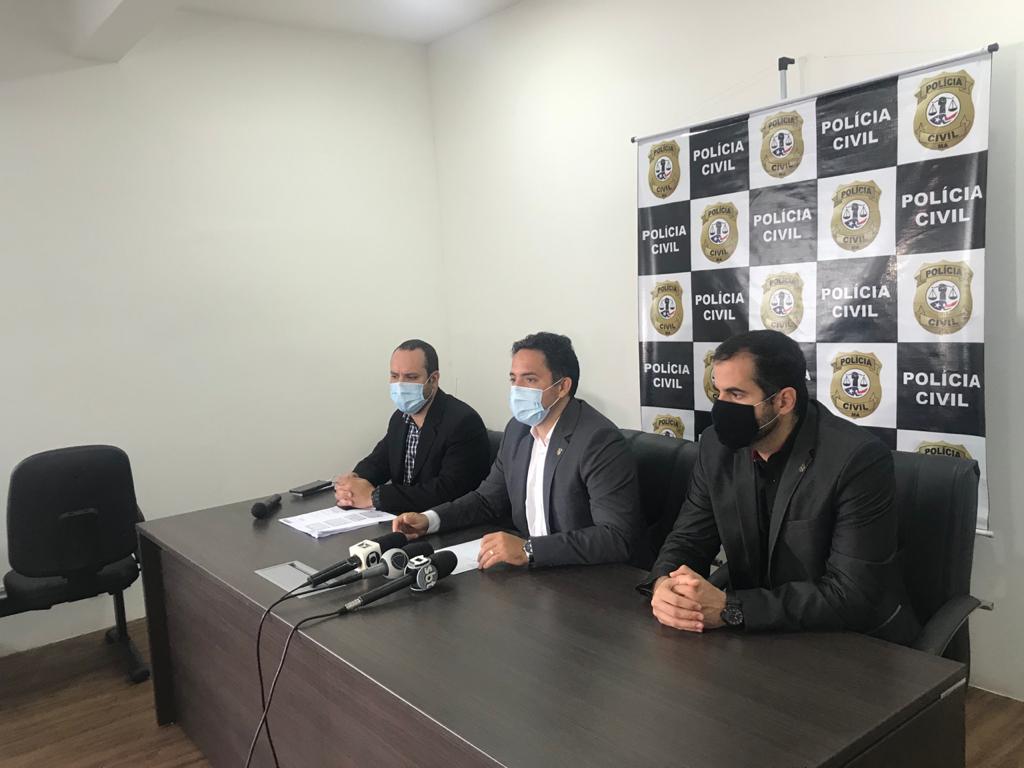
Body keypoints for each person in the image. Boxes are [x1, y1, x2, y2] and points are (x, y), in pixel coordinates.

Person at [642, 330, 919, 645]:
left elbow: (851, 593)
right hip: (758, 633)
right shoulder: (716, 446)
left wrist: (732, 608)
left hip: (849, 640)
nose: (721, 407)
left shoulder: (856, 459)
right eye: (718, 393)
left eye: (736, 394)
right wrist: (664, 584)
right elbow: (689, 539)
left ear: (784, 400)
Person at [393, 332, 644, 569]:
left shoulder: (598, 440)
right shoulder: (518, 430)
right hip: (537, 572)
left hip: (593, 578)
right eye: (514, 379)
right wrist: (430, 520)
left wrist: (529, 550)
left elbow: (615, 537)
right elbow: (486, 500)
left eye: (530, 379)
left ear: (562, 386)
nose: (517, 389)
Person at [334, 339, 491, 513]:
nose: (401, 385)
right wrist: (355, 481)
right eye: (395, 376)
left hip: (445, 521)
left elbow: (447, 491)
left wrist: (375, 497)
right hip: (402, 517)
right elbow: (379, 461)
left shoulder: (463, 422)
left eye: (411, 377)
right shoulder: (400, 418)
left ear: (433, 379)